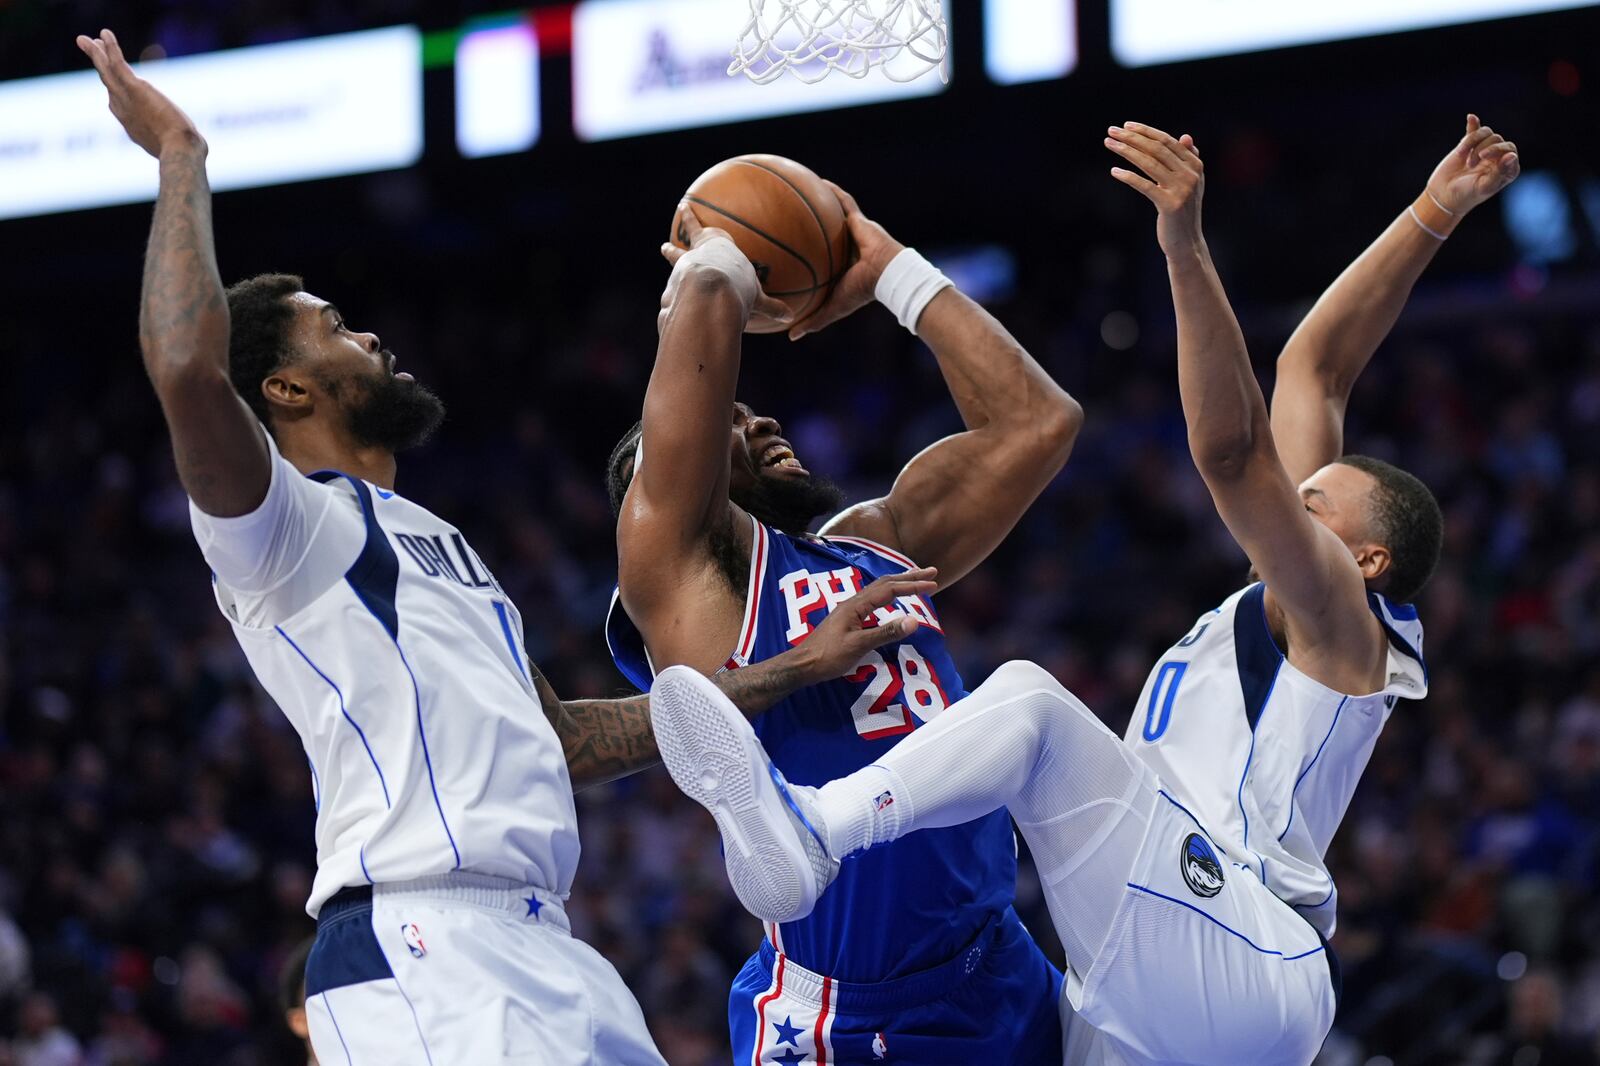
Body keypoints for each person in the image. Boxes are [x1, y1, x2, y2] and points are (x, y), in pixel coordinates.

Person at [76, 28, 924, 1065]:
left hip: (543, 942)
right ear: (286, 389)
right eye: (335, 325)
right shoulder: (280, 526)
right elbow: (187, 374)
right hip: (416, 939)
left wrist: (794, 668)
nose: (371, 337)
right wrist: (181, 159)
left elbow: (567, 740)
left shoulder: (441, 544)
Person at [647, 116, 1520, 1064]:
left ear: (1367, 562)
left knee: (1029, 708)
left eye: (1315, 503)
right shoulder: (1299, 600)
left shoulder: (1338, 618)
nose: (1291, 502)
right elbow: (1315, 366)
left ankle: (820, 829)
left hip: (1236, 939)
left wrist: (1183, 245)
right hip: (1175, 971)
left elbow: (1233, 453)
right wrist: (1435, 211)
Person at [608, 185, 1082, 1060]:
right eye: (736, 423)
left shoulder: (873, 541)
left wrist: (892, 273)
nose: (761, 419)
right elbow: (695, 387)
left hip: (1000, 966)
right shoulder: (690, 577)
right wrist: (714, 265)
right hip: (851, 1010)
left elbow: (1039, 423)